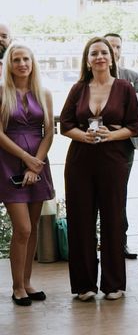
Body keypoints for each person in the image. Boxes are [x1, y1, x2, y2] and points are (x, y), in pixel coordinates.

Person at [60, 36, 138, 301]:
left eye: (104, 52)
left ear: (112, 57)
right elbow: (66, 124)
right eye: (94, 53)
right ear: (87, 59)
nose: (99, 57)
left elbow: (134, 126)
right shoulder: (79, 88)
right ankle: (84, 285)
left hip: (113, 159)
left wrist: (110, 136)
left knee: (113, 218)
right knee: (81, 220)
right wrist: (83, 136)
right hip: (80, 160)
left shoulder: (125, 87)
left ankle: (113, 283)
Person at [0, 44, 54, 306]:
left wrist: (37, 164)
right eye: (16, 59)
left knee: (32, 230)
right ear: (9, 64)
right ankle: (17, 286)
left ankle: (28, 282)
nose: (22, 63)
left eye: (26, 59)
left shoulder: (43, 93)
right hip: (9, 164)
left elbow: (49, 133)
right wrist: (26, 159)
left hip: (38, 166)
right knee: (22, 228)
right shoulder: (2, 92)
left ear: (33, 63)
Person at [104, 32, 138, 260]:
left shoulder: (132, 77)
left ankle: (121, 242)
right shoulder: (91, 78)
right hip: (98, 143)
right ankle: (103, 242)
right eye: (110, 47)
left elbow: (131, 115)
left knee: (120, 193)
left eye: (117, 46)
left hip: (125, 144)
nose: (114, 51)